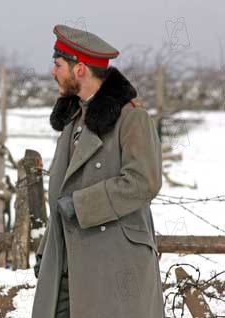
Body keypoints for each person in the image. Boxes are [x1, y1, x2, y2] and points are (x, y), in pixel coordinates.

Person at [32, 24, 164, 318]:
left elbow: (144, 181)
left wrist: (81, 206)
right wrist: (47, 247)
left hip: (115, 262)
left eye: (58, 65)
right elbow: (65, 189)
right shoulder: (74, 117)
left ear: (79, 69)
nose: (53, 72)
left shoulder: (132, 117)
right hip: (68, 259)